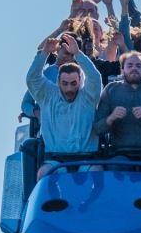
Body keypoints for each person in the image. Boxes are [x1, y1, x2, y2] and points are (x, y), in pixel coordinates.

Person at [26, 30, 102, 178]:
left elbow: (95, 78)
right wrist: (44, 53)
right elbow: (32, 79)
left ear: (80, 82)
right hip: (56, 160)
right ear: (58, 82)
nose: (69, 89)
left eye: (73, 83)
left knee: (97, 172)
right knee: (44, 173)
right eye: (65, 83)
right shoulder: (48, 96)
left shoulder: (88, 96)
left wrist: (78, 54)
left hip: (87, 159)